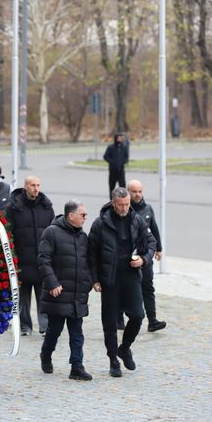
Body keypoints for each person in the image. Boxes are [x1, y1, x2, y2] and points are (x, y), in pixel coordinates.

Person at [88, 187, 156, 378]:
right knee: (109, 323)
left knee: (137, 316)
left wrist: (144, 259)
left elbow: (151, 242)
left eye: (127, 204)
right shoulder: (100, 224)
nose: (125, 208)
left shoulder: (137, 219)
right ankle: (113, 361)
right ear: (113, 203)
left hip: (131, 276)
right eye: (121, 205)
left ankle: (124, 348)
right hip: (109, 279)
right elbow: (91, 254)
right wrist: (94, 279)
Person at [37, 200, 93, 381]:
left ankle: (77, 366)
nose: (85, 218)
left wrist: (89, 283)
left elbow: (88, 264)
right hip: (59, 293)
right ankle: (46, 354)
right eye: (82, 215)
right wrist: (52, 283)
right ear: (71, 216)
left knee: (77, 333)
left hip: (77, 294)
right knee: (55, 330)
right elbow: (44, 260)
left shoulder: (82, 237)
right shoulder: (51, 232)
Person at [5, 175, 54, 336]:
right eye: (33, 185)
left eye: (38, 185)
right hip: (21, 259)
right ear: (25, 186)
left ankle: (45, 326)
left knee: (43, 295)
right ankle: (25, 326)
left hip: (42, 259)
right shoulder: (13, 207)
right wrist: (12, 257)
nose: (36, 188)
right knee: (23, 296)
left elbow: (53, 232)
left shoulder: (46, 206)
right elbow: (8, 233)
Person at [126, 179, 166, 332]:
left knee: (147, 288)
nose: (137, 194)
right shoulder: (124, 209)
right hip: (128, 257)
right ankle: (119, 319)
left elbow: (154, 229)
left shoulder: (148, 209)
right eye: (134, 191)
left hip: (145, 256)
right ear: (128, 192)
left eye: (140, 191)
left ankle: (152, 320)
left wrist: (159, 249)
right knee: (127, 289)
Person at [103, 133, 129, 199]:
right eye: (118, 138)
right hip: (112, 170)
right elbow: (105, 156)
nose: (120, 139)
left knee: (123, 187)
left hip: (121, 171)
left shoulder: (124, 147)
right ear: (115, 139)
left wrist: (123, 162)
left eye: (121, 138)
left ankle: (123, 199)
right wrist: (112, 162)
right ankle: (112, 201)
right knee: (112, 186)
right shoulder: (111, 147)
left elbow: (126, 157)